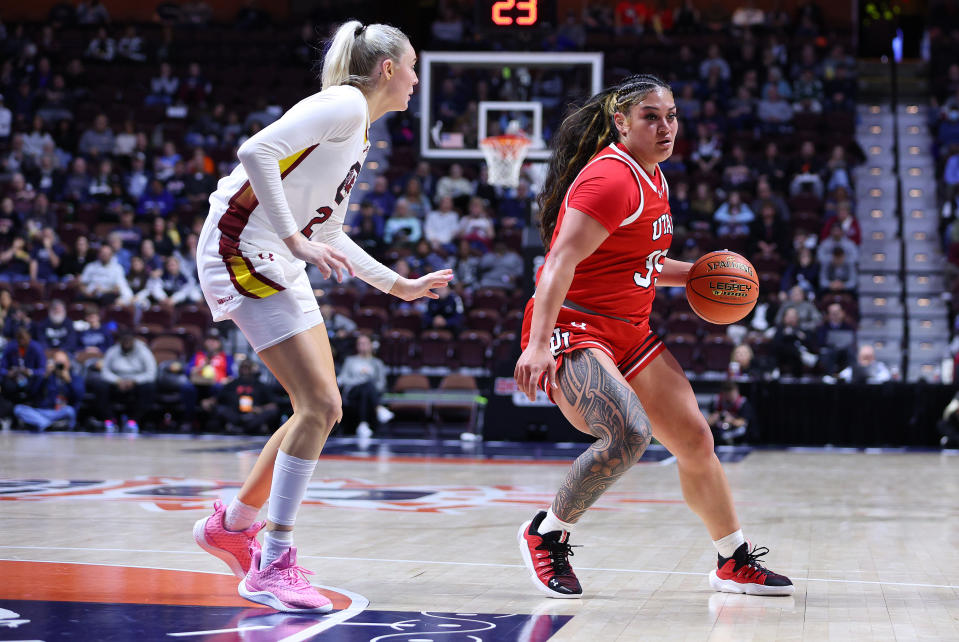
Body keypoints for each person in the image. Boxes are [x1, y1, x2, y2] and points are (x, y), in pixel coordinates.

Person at [190, 20, 452, 613]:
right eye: (411, 66)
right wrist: (294, 239)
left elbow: (328, 229)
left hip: (278, 248)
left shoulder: (356, 132)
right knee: (323, 406)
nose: (415, 78)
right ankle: (272, 563)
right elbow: (254, 151)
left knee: (318, 404)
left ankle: (234, 525)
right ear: (387, 68)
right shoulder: (342, 104)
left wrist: (399, 285)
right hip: (242, 244)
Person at [513, 74, 793, 600]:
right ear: (621, 122)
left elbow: (637, 261)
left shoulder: (652, 176)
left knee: (694, 440)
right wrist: (536, 343)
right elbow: (559, 262)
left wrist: (697, 275)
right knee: (627, 435)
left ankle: (732, 560)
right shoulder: (612, 179)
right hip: (573, 326)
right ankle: (546, 533)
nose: (665, 128)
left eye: (671, 116)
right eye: (650, 117)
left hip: (629, 332)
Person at [13, 349, 83, 431]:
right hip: (42, 412)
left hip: (60, 412)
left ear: (68, 363)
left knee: (70, 411)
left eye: (63, 363)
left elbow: (79, 397)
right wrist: (44, 376)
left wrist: (69, 381)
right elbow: (31, 393)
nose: (60, 366)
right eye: (58, 363)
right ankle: (48, 425)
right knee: (18, 409)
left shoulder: (75, 378)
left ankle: (43, 424)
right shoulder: (47, 376)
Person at [337, 333, 389, 440]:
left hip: (369, 394)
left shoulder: (377, 363)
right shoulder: (350, 361)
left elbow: (381, 384)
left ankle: (363, 424)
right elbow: (343, 379)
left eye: (365, 343)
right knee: (366, 384)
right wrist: (361, 380)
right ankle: (378, 409)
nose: (362, 346)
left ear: (371, 345)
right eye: (360, 344)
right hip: (352, 392)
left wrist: (370, 386)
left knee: (367, 388)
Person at [706, 380, 756, 445]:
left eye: (731, 392)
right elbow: (708, 422)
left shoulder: (742, 403)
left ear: (736, 392)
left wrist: (731, 420)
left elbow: (743, 422)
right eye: (726, 392)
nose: (729, 396)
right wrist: (716, 418)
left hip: (736, 433)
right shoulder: (716, 402)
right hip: (719, 432)